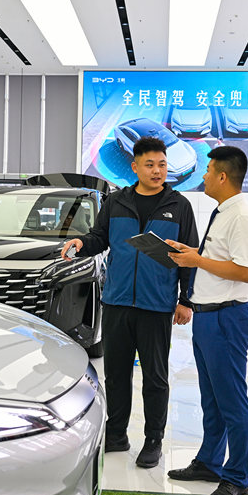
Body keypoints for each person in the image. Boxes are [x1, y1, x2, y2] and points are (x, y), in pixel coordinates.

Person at [60, 136, 198, 469]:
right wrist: (81, 242)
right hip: (117, 301)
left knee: (155, 377)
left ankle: (153, 440)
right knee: (117, 374)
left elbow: (190, 256)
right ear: (135, 167)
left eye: (162, 164)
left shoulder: (179, 205)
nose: (157, 171)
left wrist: (186, 300)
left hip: (157, 305)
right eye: (150, 165)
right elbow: (99, 238)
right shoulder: (116, 202)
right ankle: (117, 433)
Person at [165, 145, 248, 495]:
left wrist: (197, 260)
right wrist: (192, 253)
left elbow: (245, 271)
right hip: (207, 317)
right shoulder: (224, 213)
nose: (203, 176)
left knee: (232, 401)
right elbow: (219, 260)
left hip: (227, 318)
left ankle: (237, 479)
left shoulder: (243, 217)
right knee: (212, 399)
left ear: (223, 176)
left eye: (208, 171)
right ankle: (209, 461)